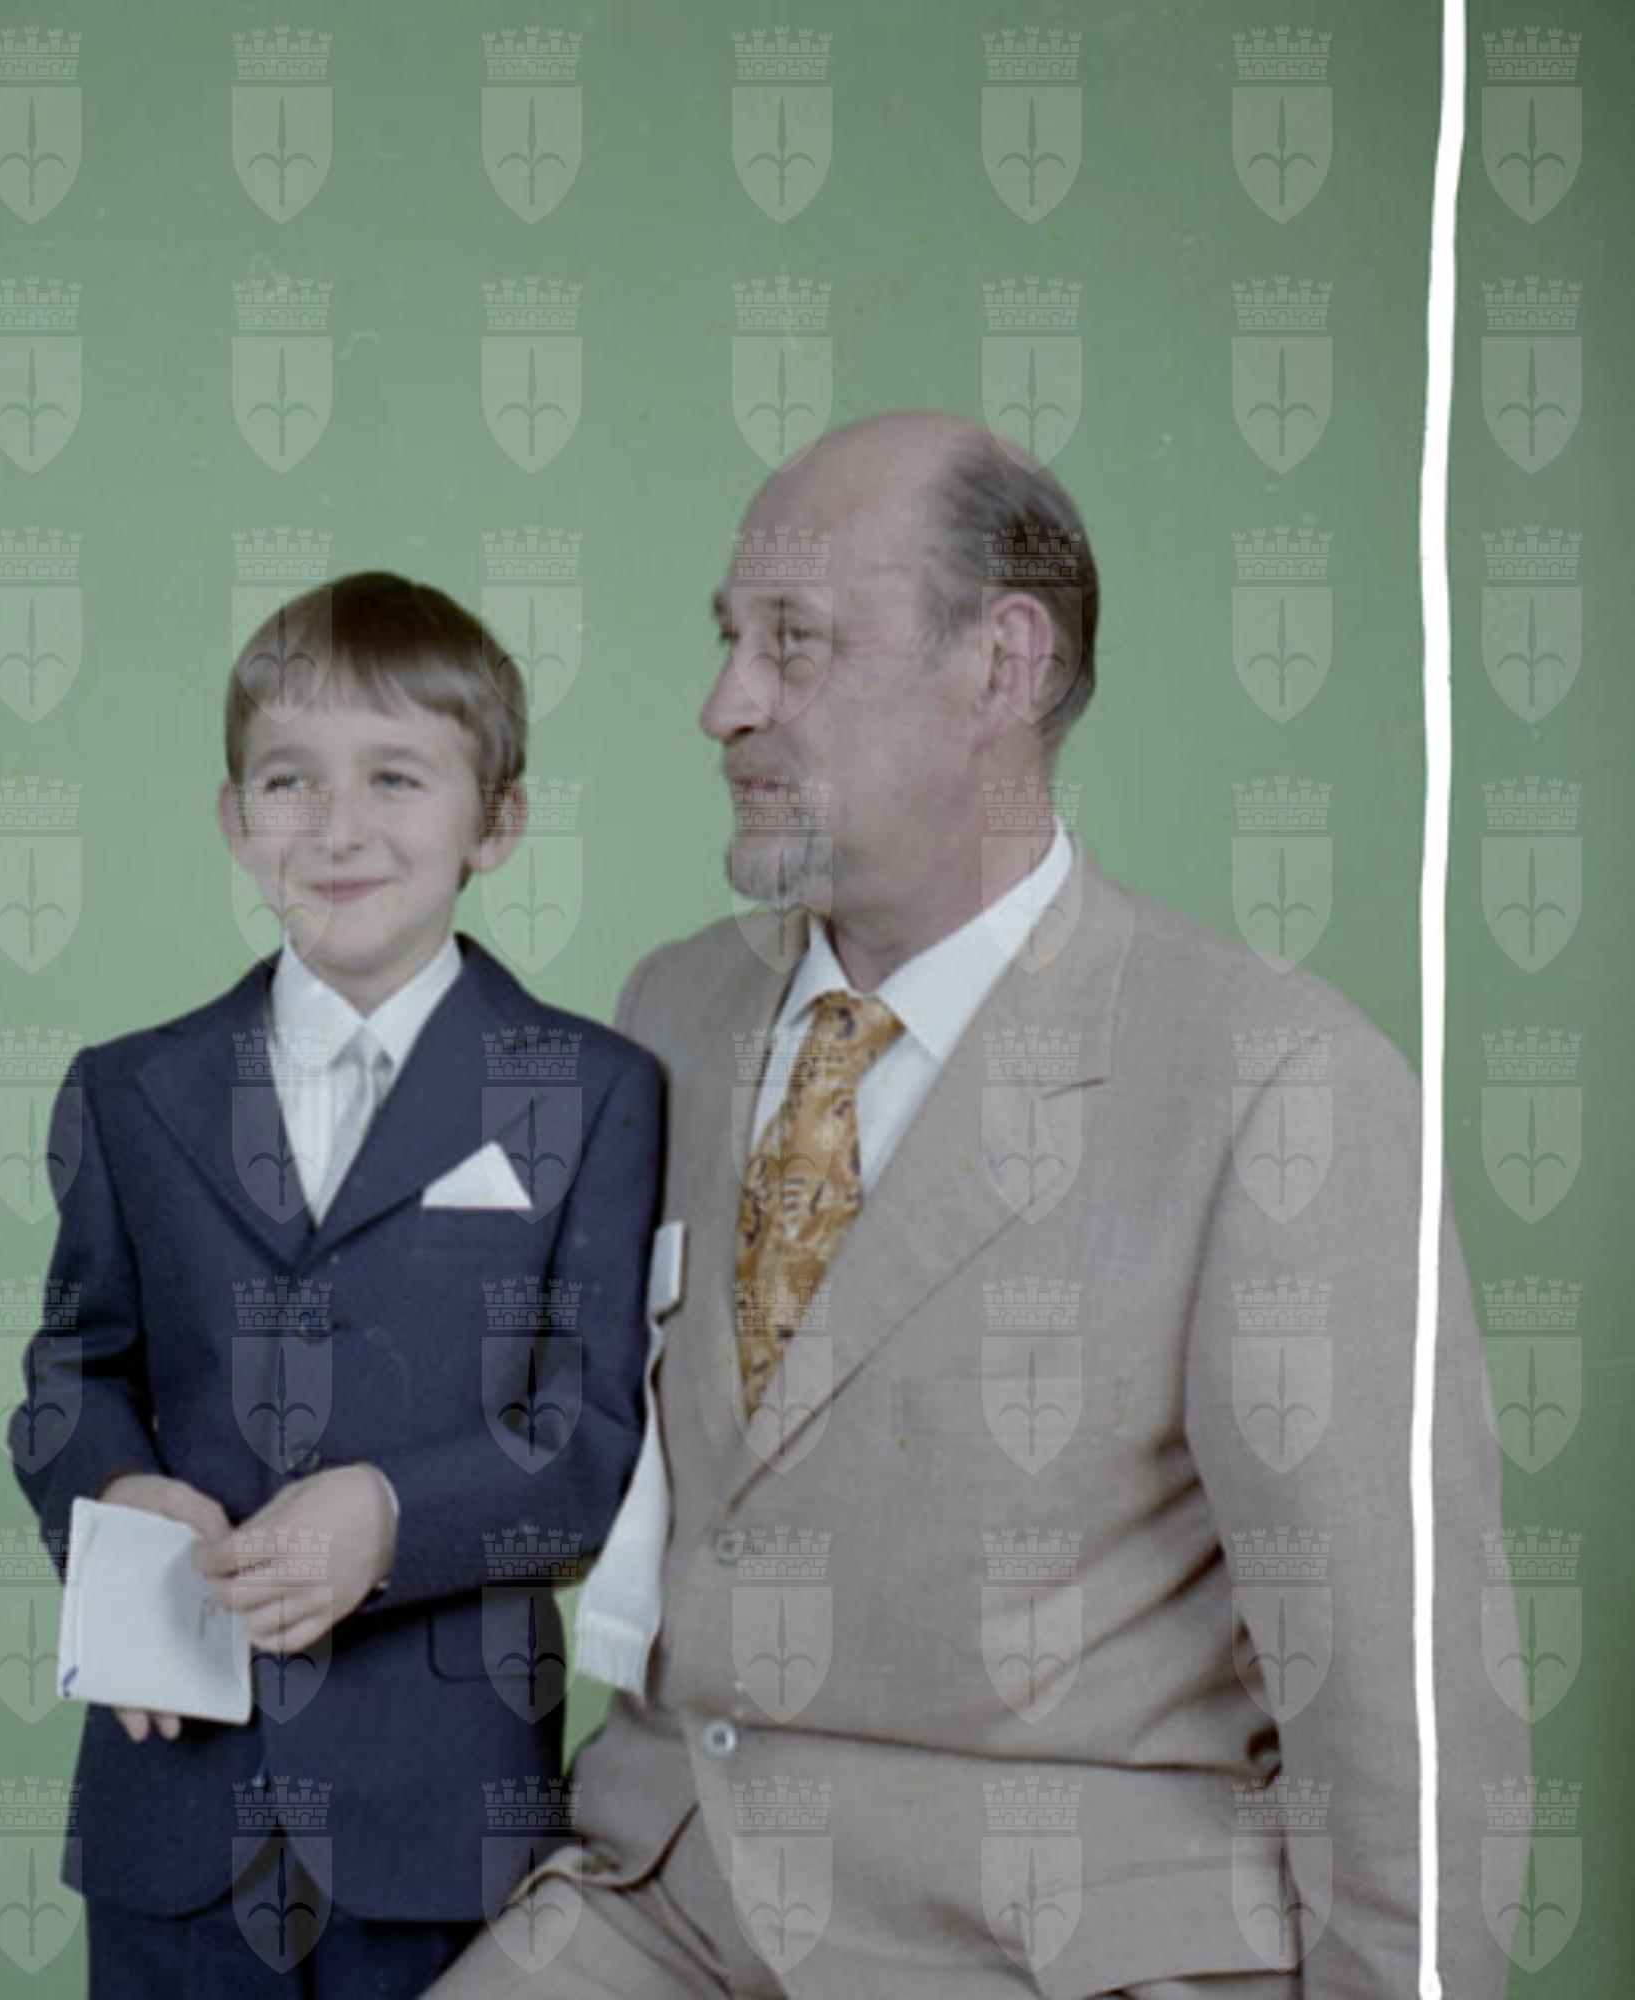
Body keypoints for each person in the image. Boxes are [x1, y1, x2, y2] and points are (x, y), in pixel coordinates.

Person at [424, 413, 1528, 1997]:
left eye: (795, 642)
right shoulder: (671, 1009)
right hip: (661, 1890)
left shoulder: (1277, 1083)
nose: (725, 704)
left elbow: (1401, 1708)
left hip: (1049, 1948)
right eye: (731, 640)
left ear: (1003, 666)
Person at [7, 571, 662, 1997]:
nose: (339, 827)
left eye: (397, 778)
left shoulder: (595, 1091)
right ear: (234, 819)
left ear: (497, 822)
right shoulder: (132, 1088)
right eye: (290, 779)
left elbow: (591, 1442)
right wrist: (115, 1495)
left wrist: (392, 1518)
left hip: (446, 1821)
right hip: (174, 1802)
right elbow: (72, 1373)